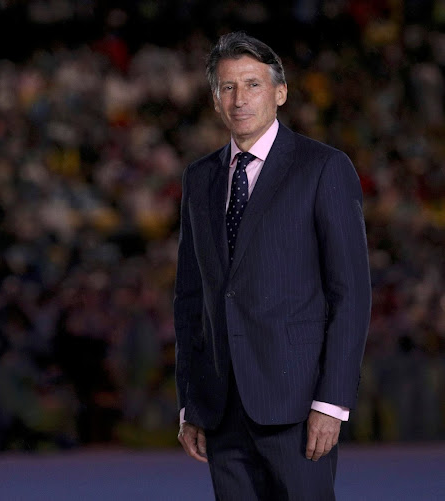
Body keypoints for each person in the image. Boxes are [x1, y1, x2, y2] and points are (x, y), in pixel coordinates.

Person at [174, 32, 371, 500]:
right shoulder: (199, 178)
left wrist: (332, 402)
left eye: (252, 84)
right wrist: (192, 402)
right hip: (222, 409)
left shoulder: (323, 168)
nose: (239, 98)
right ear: (215, 99)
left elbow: (351, 293)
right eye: (227, 87)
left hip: (298, 406)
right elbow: (189, 298)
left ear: (280, 92)